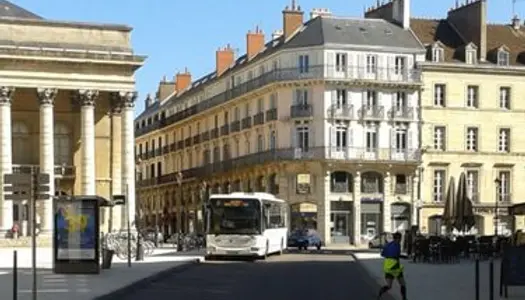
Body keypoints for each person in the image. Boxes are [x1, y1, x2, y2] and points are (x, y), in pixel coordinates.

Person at [378, 232, 407, 300]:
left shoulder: (388, 245)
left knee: (389, 285)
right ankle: (404, 298)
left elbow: (382, 254)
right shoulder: (397, 245)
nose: (401, 240)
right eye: (400, 238)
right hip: (395, 266)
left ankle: (380, 294)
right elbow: (396, 255)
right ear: (398, 238)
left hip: (387, 267)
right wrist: (404, 257)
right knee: (402, 283)